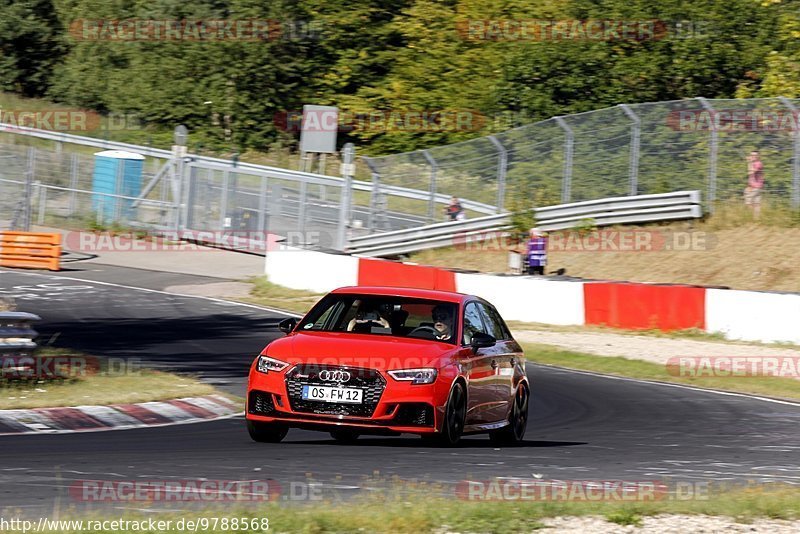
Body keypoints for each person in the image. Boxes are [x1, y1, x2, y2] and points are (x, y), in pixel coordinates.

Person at [745, 150, 764, 219]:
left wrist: (749, 162)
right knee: (757, 204)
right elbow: (749, 173)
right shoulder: (753, 163)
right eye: (752, 155)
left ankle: (750, 217)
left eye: (755, 155)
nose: (753, 157)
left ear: (758, 156)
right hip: (753, 186)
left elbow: (751, 173)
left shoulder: (758, 164)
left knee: (748, 202)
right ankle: (756, 219)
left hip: (756, 187)